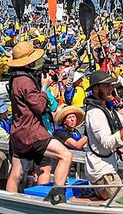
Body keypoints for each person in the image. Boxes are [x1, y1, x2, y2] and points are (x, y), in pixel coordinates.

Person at [5, 42, 73, 194]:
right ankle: (58, 195)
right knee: (65, 155)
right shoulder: (25, 81)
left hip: (18, 131)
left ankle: (10, 203)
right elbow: (40, 107)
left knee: (17, 172)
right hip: (31, 131)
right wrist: (44, 87)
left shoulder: (15, 79)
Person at [83, 71, 123, 200]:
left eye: (111, 85)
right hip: (103, 172)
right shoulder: (95, 113)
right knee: (120, 202)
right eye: (106, 86)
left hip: (107, 168)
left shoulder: (106, 108)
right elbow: (107, 143)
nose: (110, 88)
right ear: (95, 88)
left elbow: (117, 118)